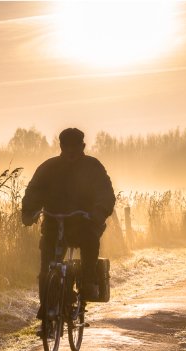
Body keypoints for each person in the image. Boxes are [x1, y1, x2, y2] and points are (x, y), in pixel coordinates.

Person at [21, 127, 115, 322]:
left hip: (84, 222)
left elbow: (104, 192)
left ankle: (88, 280)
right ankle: (47, 305)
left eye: (75, 147)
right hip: (54, 223)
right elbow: (34, 191)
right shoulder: (48, 168)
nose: (71, 151)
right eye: (67, 147)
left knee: (90, 242)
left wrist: (98, 212)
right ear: (61, 147)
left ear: (82, 146)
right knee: (46, 268)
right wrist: (29, 212)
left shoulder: (93, 167)